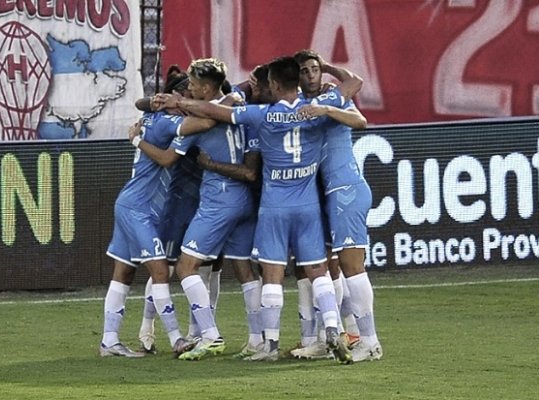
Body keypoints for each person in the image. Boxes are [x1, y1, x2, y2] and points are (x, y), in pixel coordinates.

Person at [160, 56, 363, 363]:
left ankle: (269, 345)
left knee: (272, 275)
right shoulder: (317, 108)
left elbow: (214, 110)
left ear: (275, 85)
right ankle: (333, 329)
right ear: (297, 82)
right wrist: (327, 85)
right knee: (318, 270)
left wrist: (177, 105)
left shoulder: (263, 115)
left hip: (274, 207)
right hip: (307, 205)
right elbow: (353, 84)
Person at [131, 58, 260, 361]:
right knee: (242, 269)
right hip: (244, 199)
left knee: (185, 268)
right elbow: (232, 98)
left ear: (204, 88)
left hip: (218, 200)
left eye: (191, 84)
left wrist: (137, 139)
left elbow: (166, 158)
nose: (186, 88)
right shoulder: (237, 106)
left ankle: (210, 336)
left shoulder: (197, 124)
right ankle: (260, 340)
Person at [99, 71, 215, 358]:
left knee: (123, 272)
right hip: (137, 207)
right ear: (174, 97)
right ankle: (176, 338)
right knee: (161, 271)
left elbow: (143, 104)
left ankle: (109, 340)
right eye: (185, 93)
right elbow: (208, 121)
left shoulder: (155, 117)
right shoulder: (167, 123)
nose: (189, 96)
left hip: (134, 203)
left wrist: (154, 103)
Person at [293, 49, 383, 362]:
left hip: (347, 189)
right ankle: (328, 337)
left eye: (314, 69)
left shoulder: (334, 98)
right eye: (304, 71)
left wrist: (327, 109)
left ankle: (370, 342)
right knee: (328, 269)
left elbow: (361, 121)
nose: (310, 75)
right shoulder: (300, 107)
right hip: (324, 195)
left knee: (352, 267)